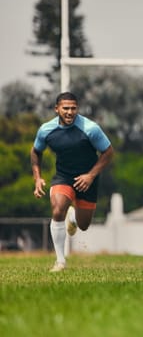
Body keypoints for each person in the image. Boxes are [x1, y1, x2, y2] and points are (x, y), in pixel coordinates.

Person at [31, 92, 114, 272]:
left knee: (83, 225)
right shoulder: (46, 130)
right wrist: (37, 178)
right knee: (58, 208)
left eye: (73, 108)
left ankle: (73, 218)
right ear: (57, 109)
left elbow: (108, 152)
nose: (70, 112)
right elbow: (36, 152)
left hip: (88, 179)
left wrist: (90, 176)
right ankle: (60, 261)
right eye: (66, 108)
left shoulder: (90, 128)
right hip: (63, 176)